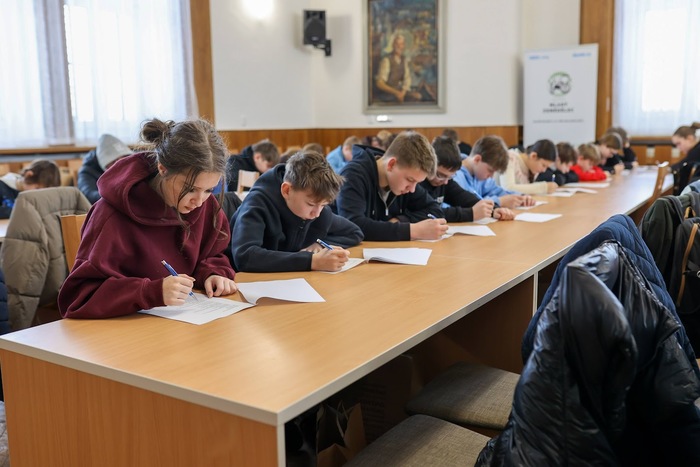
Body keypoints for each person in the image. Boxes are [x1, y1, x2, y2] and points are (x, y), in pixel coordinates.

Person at [58, 118, 237, 319]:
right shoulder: (110, 215)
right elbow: (79, 297)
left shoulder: (206, 205)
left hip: (185, 323)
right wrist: (151, 291)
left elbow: (213, 254)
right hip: (124, 329)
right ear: (163, 168)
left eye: (209, 190)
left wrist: (214, 273)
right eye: (190, 189)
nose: (199, 201)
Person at [230, 150, 363, 273]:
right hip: (242, 281)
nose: (317, 214)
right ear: (287, 190)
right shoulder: (258, 204)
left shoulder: (318, 208)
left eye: (323, 205)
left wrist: (320, 245)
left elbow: (354, 232)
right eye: (310, 204)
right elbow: (245, 256)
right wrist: (311, 261)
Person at [333, 130, 448, 241]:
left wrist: (401, 220)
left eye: (417, 183)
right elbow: (353, 225)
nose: (412, 189)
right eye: (410, 180)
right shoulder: (353, 175)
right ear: (391, 165)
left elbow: (435, 210)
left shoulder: (403, 178)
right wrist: (412, 231)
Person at [420, 136, 514, 222]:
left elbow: (465, 198)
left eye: (450, 176)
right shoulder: (418, 184)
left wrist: (493, 210)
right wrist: (470, 214)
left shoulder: (446, 182)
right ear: (429, 166)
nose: (445, 182)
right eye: (440, 175)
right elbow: (428, 213)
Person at [453, 135, 535, 209]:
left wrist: (521, 196)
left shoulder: (478, 175)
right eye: (490, 170)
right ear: (477, 159)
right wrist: (499, 201)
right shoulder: (455, 176)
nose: (491, 176)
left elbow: (497, 190)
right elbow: (466, 205)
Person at [77, 134, 134, 204]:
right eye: (114, 161)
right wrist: (115, 197)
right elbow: (88, 194)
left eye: (124, 159)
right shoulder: (87, 171)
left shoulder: (132, 167)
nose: (120, 165)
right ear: (105, 162)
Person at [374, 33, 422, 103]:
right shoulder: (386, 60)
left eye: (401, 44)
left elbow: (407, 79)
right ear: (393, 45)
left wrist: (403, 92)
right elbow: (380, 83)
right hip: (387, 94)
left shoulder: (404, 60)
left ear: (404, 46)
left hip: (399, 92)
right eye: (397, 44)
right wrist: (396, 93)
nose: (399, 46)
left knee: (417, 96)